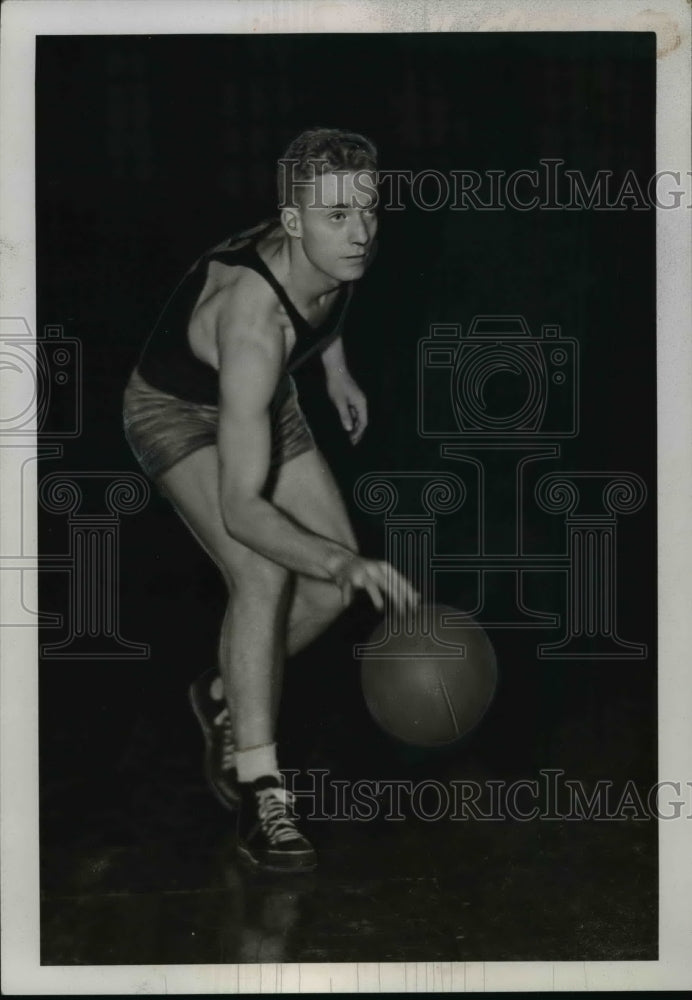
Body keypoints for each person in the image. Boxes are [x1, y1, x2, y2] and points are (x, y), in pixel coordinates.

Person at [123, 127, 419, 873]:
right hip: (174, 411)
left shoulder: (330, 237)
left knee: (326, 593)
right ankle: (263, 791)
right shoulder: (253, 326)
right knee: (266, 572)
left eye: (369, 211)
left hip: (262, 400)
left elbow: (328, 289)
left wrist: (334, 372)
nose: (360, 233)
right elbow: (241, 511)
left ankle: (223, 687)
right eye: (338, 219)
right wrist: (338, 557)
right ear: (293, 223)